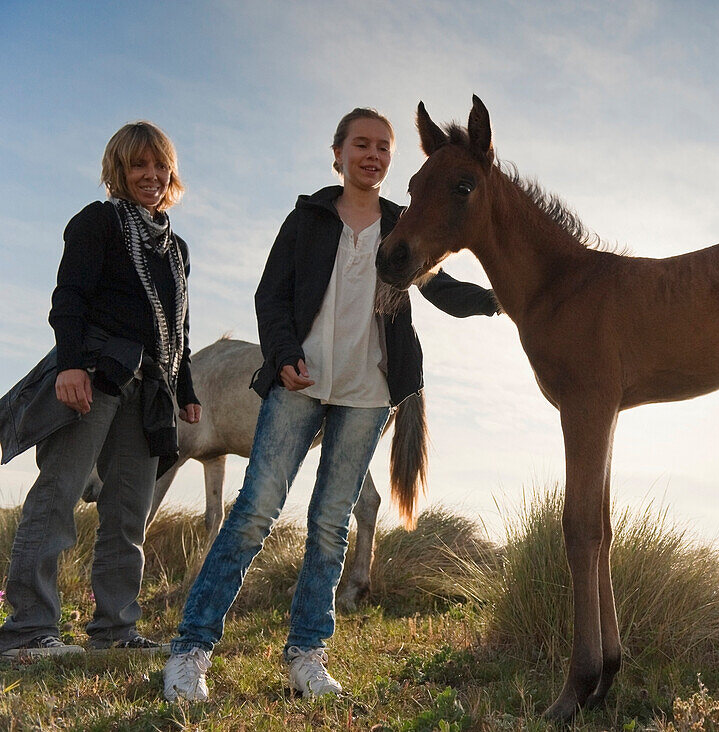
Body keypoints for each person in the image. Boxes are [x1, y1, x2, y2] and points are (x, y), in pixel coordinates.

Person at [162, 108, 498, 701]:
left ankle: (308, 655)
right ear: (337, 153)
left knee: (328, 526)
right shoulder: (308, 218)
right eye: (361, 144)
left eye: (383, 148)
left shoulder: (403, 224)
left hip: (368, 395)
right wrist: (285, 351)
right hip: (300, 385)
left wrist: (501, 299)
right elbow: (272, 294)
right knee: (255, 513)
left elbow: (440, 289)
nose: (372, 155)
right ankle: (191, 650)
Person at [0, 121, 202, 658]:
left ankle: (115, 631)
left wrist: (187, 392)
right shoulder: (97, 222)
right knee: (58, 495)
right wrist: (70, 367)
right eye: (139, 165)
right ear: (118, 171)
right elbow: (68, 297)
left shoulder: (176, 247)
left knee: (128, 512)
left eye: (160, 165)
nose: (151, 176)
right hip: (93, 377)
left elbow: (179, 328)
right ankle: (27, 631)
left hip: (150, 391)